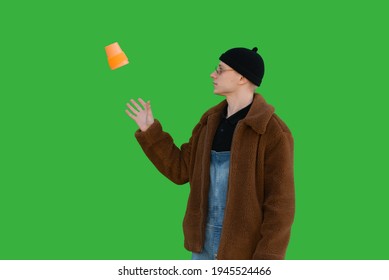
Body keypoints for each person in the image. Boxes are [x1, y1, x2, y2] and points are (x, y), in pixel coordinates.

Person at [125, 47, 295, 260]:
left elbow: (280, 206)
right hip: (202, 249)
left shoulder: (272, 131)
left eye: (220, 70)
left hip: (244, 254)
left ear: (242, 77)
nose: (212, 74)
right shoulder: (209, 123)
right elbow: (181, 170)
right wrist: (149, 130)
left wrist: (266, 261)